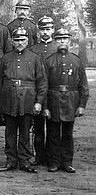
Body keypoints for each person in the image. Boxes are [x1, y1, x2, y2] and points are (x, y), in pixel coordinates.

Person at [0, 27, 47, 174]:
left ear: (27, 40)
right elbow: (0, 80)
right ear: (12, 41)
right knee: (10, 132)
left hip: (27, 98)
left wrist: (38, 102)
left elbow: (42, 82)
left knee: (25, 131)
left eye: (22, 40)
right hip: (9, 97)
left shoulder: (35, 58)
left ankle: (25, 161)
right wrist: (0, 101)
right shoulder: (5, 58)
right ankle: (11, 160)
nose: (19, 42)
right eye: (17, 40)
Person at [43, 28, 89, 173]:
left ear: (69, 41)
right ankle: (53, 162)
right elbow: (43, 86)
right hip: (53, 99)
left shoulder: (76, 60)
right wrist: (45, 106)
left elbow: (83, 85)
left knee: (68, 135)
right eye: (59, 39)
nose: (62, 41)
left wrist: (81, 105)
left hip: (71, 100)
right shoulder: (49, 61)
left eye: (65, 39)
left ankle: (67, 162)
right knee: (52, 133)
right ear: (55, 41)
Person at [28, 16, 58, 166]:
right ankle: (39, 157)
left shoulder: (58, 49)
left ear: (53, 30)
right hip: (37, 93)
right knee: (38, 129)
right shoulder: (33, 50)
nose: (45, 32)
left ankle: (53, 159)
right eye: (42, 29)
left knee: (53, 128)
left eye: (48, 29)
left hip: (53, 93)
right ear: (38, 31)